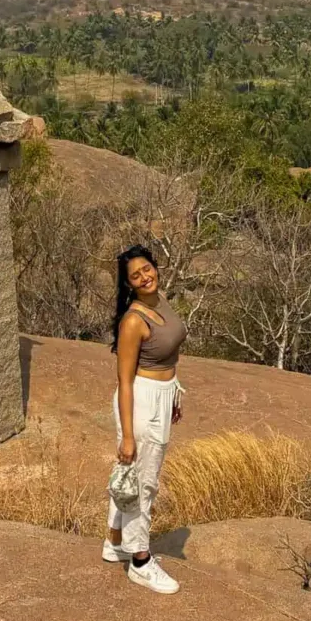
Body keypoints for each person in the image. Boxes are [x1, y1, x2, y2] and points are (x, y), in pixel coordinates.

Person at [102, 245, 187, 593]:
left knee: (131, 479)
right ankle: (139, 560)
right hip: (141, 402)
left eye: (147, 269)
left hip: (162, 395)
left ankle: (114, 542)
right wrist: (127, 437)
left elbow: (167, 356)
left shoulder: (160, 298)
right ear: (128, 284)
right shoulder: (134, 321)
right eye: (136, 276)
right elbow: (124, 381)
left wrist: (175, 391)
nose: (145, 277)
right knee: (143, 484)